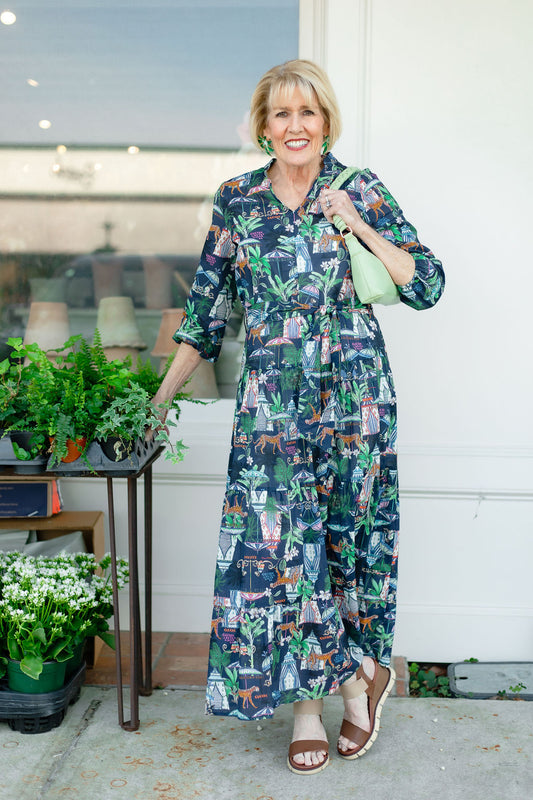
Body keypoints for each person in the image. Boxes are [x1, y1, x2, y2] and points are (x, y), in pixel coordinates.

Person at [152, 59, 444, 775]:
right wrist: (157, 403)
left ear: (325, 122)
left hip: (353, 398)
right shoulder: (238, 201)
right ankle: (328, 697)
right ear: (262, 125)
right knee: (280, 553)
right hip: (272, 406)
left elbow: (426, 284)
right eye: (280, 113)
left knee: (343, 546)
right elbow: (204, 315)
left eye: (306, 112)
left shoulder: (359, 189)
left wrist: (358, 226)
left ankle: (354, 683)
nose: (294, 126)